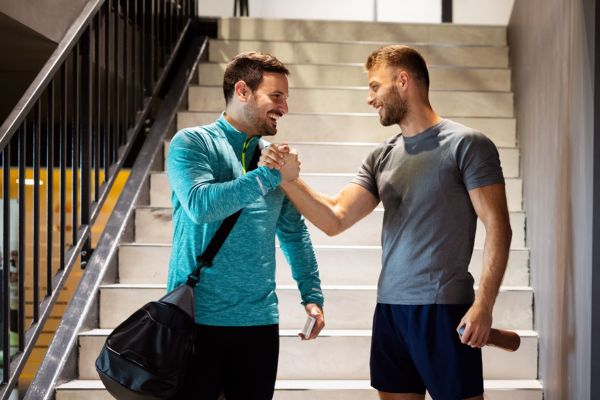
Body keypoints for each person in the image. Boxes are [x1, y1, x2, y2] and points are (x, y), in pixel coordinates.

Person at [260, 45, 512, 400]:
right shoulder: (382, 156)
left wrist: (483, 305)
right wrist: (288, 178)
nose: (370, 98)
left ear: (403, 81)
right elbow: (335, 218)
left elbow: (498, 225)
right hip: (390, 311)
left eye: (375, 87)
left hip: (442, 310)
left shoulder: (467, 145)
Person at [166, 51, 325, 400]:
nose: (284, 107)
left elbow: (294, 234)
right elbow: (201, 205)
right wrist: (270, 175)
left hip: (258, 322)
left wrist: (311, 295)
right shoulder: (192, 143)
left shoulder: (273, 158)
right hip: (196, 320)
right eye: (276, 96)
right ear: (242, 90)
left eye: (285, 98)